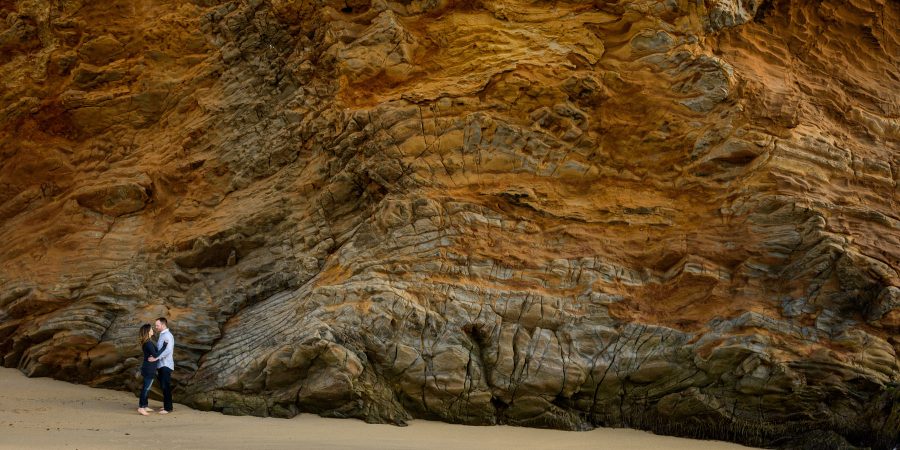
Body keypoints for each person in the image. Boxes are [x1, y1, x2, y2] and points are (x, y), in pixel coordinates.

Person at [137, 324, 167, 416]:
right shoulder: (148, 343)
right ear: (147, 331)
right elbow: (155, 355)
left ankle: (145, 405)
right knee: (146, 388)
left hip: (149, 367)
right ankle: (141, 407)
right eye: (151, 329)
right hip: (149, 368)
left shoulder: (147, 342)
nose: (152, 330)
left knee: (147, 388)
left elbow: (154, 354)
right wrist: (164, 347)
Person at [150, 317, 175, 414]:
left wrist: (156, 358)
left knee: (166, 386)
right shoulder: (162, 335)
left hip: (166, 365)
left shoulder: (167, 335)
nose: (156, 327)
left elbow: (168, 350)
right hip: (161, 365)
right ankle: (167, 406)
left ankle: (168, 408)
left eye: (157, 325)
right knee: (164, 386)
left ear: (163, 325)